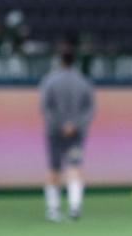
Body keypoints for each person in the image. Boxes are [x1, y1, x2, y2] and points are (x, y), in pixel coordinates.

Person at [38, 44, 95, 221]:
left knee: (54, 168)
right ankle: (74, 206)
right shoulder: (84, 82)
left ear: (59, 60)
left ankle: (53, 209)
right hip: (77, 134)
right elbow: (90, 109)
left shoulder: (50, 81)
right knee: (74, 166)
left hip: (55, 132)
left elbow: (46, 108)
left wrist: (61, 124)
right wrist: (74, 125)